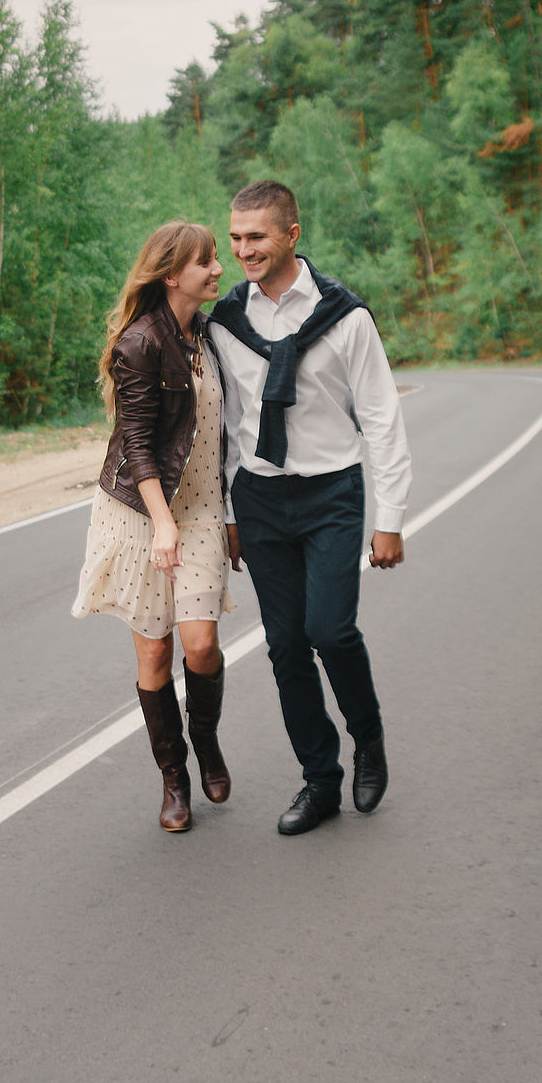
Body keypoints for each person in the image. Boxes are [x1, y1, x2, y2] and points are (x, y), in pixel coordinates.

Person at [207, 181, 412, 837]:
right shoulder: (225, 322)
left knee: (329, 630)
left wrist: (390, 516)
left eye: (256, 236)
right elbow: (227, 425)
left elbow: (381, 418)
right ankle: (319, 780)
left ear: (292, 235)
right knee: (286, 645)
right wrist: (228, 515)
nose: (243, 249)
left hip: (330, 492)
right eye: (236, 237)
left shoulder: (345, 317)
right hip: (260, 499)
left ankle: (368, 739)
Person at [72, 221, 235, 834]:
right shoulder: (140, 342)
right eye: (205, 262)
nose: (217, 269)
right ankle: (174, 778)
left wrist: (230, 512)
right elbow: (136, 443)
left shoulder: (213, 334)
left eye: (217, 258)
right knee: (156, 648)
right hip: (142, 511)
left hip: (201, 510)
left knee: (201, 644)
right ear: (172, 275)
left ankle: (208, 739)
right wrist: (162, 524)